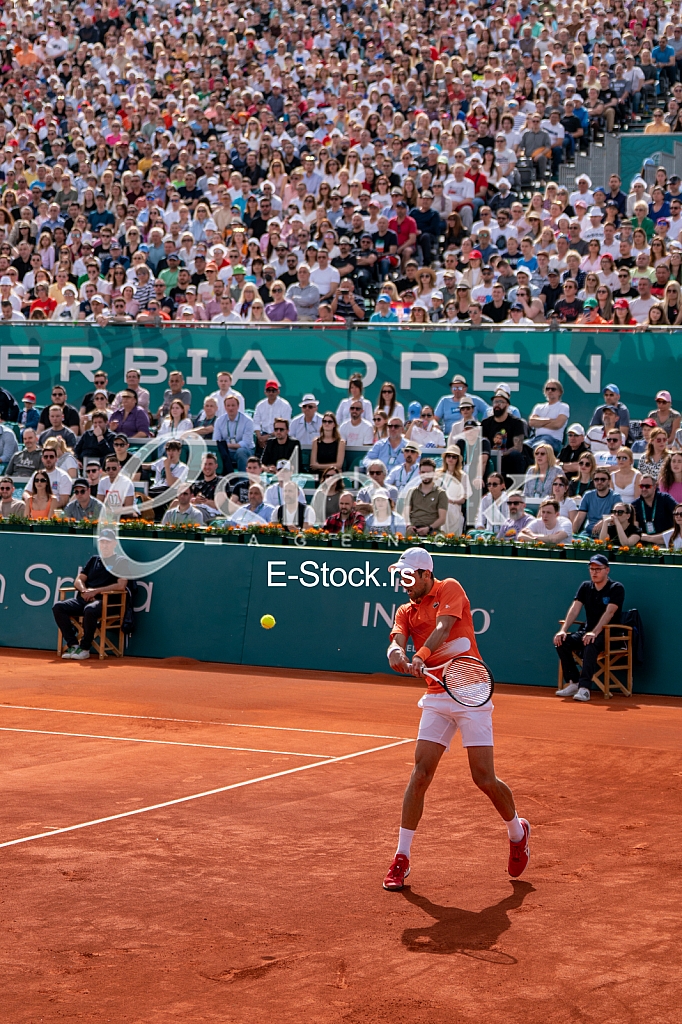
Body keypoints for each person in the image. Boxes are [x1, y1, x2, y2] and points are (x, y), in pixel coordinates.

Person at [382, 546, 529, 892]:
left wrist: (420, 655)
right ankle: (401, 857)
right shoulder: (406, 609)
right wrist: (395, 653)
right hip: (436, 697)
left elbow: (445, 628)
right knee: (420, 773)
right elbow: (395, 638)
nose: (402, 583)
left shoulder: (450, 587)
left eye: (407, 576)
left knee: (484, 778)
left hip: (471, 691)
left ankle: (517, 833)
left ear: (423, 574)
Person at [554, 555, 625, 703]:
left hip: (609, 635)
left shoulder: (616, 588)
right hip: (588, 633)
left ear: (607, 570)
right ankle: (574, 682)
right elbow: (575, 609)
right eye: (592, 569)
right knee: (562, 641)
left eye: (598, 569)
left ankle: (585, 688)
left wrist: (595, 632)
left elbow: (610, 613)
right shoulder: (586, 587)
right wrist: (563, 630)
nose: (594, 572)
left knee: (590, 643)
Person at [52, 530, 128, 661]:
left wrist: (96, 591)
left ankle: (85, 648)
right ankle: (73, 645)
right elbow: (78, 580)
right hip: (85, 599)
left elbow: (121, 585)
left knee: (90, 610)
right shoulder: (94, 560)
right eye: (102, 542)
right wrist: (84, 591)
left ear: (115, 544)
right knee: (58, 607)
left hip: (106, 602)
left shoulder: (121, 561)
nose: (104, 545)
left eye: (108, 542)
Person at [405, 459, 449, 537]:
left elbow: (442, 519)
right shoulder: (412, 492)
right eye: (423, 472)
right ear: (419, 473)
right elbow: (405, 513)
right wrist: (408, 525)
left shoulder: (441, 493)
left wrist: (429, 528)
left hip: (432, 530)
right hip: (414, 529)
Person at [214, 396, 256, 474]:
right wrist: (225, 446)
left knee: (241, 451)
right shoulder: (219, 421)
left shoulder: (247, 421)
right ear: (225, 407)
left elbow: (246, 443)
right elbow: (216, 440)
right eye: (228, 406)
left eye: (233, 405)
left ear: (238, 406)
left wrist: (226, 445)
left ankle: (243, 480)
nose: (231, 408)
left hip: (246, 450)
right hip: (227, 451)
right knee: (217, 452)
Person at [572, 469, 620, 536]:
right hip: (588, 532)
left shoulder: (615, 497)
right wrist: (573, 534)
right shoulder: (588, 495)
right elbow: (580, 517)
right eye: (596, 479)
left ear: (609, 481)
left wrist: (604, 521)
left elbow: (617, 516)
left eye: (603, 479)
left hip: (607, 533)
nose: (599, 482)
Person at [632, 474, 677, 543]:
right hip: (645, 544)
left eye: (647, 486)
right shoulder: (635, 505)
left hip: (667, 541)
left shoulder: (665, 499)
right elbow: (635, 528)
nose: (644, 489)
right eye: (641, 486)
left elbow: (679, 513)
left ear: (654, 487)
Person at [528, 379, 569, 454]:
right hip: (536, 438)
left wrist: (539, 423)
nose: (550, 391)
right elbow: (531, 422)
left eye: (553, 389)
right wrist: (551, 420)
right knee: (523, 447)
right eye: (547, 389)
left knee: (538, 447)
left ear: (559, 392)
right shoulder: (538, 407)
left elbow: (557, 425)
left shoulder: (563, 407)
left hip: (553, 440)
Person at [253, 380, 293, 452]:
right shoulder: (260, 405)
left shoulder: (285, 405)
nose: (271, 393)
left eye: (273, 390)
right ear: (265, 392)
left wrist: (269, 437)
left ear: (278, 392)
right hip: (263, 435)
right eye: (268, 390)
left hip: (279, 435)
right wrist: (259, 437)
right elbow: (256, 422)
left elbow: (285, 425)